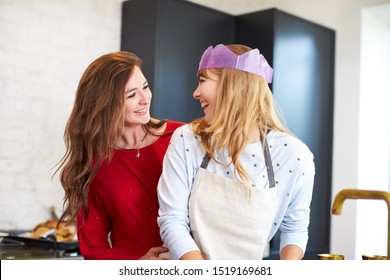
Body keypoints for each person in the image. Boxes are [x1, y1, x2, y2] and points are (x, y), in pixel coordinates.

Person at [157, 44, 315, 260]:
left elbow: (294, 227)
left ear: (233, 84)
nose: (195, 93)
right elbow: (172, 219)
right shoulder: (187, 139)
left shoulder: (294, 155)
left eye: (202, 80)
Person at [55, 51, 184, 259]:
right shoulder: (94, 166)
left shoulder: (182, 137)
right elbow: (93, 250)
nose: (145, 99)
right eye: (131, 95)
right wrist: (137, 264)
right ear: (105, 104)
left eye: (145, 87)